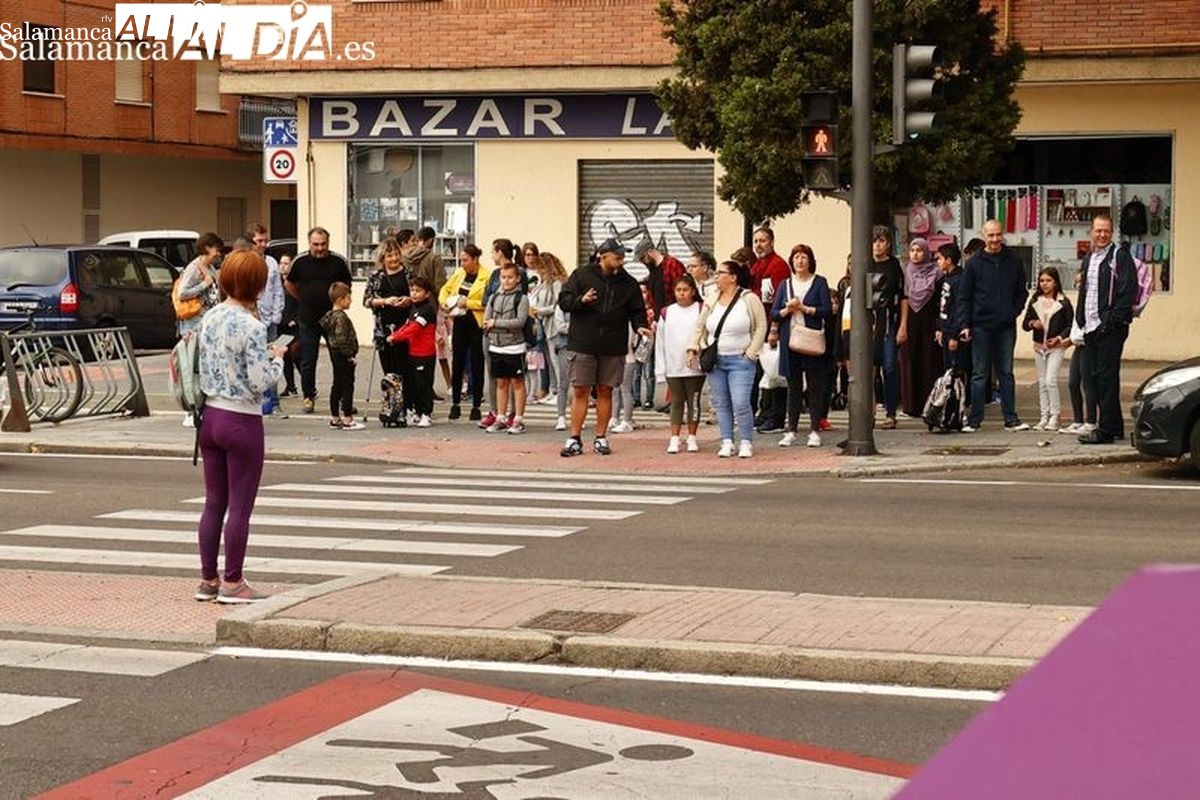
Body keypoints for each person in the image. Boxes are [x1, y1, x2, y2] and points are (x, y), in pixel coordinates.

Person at [194, 249, 287, 604]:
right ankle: (234, 582)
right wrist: (276, 359)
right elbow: (260, 381)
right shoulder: (253, 326)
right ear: (258, 285)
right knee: (240, 507)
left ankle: (207, 579)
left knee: (213, 502)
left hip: (210, 418)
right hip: (242, 420)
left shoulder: (211, 317)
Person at [557, 238, 649, 457]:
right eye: (617, 255)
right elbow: (564, 301)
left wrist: (640, 327)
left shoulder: (629, 283)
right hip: (583, 342)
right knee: (581, 390)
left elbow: (637, 311)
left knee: (606, 390)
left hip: (613, 345)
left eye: (622, 255)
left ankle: (601, 437)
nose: (621, 259)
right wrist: (581, 300)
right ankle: (575, 438)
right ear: (602, 255)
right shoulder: (582, 274)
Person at [686, 259, 767, 458]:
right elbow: (700, 326)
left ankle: (746, 441)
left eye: (721, 273)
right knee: (721, 403)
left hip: (741, 360)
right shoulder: (712, 299)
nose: (716, 277)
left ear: (733, 277)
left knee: (740, 402)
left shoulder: (749, 298)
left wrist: (751, 353)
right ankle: (727, 440)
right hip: (716, 360)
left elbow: (761, 326)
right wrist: (693, 348)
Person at [957, 219, 1031, 433]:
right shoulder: (973, 263)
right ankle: (974, 420)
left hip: (1006, 326)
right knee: (979, 374)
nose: (995, 239)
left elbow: (1022, 290)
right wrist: (965, 324)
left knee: (1006, 373)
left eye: (998, 235)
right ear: (984, 236)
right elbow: (964, 297)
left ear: (1003, 234)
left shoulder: (1014, 259)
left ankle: (1011, 419)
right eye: (991, 235)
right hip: (980, 326)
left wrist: (1014, 311)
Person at [1074, 213, 1137, 444]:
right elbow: (1086, 291)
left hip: (1109, 328)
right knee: (1092, 377)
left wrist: (1110, 321)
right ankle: (1115, 426)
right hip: (1090, 328)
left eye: (1106, 231)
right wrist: (1080, 318)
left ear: (1112, 232)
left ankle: (1107, 430)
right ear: (1091, 231)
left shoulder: (1119, 256)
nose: (1101, 234)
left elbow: (1128, 291)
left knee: (1106, 378)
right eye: (1098, 230)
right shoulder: (1089, 257)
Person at [771, 244, 832, 448]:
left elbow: (826, 311)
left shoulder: (820, 282)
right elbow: (774, 313)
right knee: (793, 387)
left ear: (810, 260)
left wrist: (804, 308)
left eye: (804, 257)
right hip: (791, 340)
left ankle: (815, 430)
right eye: (796, 257)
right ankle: (791, 430)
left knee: (815, 387)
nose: (800, 261)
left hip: (812, 338)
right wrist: (787, 310)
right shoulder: (785, 285)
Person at [286, 227, 352, 414]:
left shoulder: (338, 261)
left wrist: (340, 305)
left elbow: (347, 285)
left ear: (328, 243)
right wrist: (303, 299)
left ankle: (342, 398)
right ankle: (308, 397)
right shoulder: (300, 261)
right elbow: (289, 284)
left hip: (334, 320)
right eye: (316, 244)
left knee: (339, 359)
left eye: (323, 244)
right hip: (308, 318)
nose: (320, 248)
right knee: (308, 360)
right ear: (309, 243)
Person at [176, 232, 224, 427]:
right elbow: (182, 293)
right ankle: (191, 410)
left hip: (209, 324)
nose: (218, 253)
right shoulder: (194, 268)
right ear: (207, 248)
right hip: (194, 325)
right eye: (216, 249)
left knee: (207, 367)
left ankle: (202, 408)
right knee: (194, 368)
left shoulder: (210, 267)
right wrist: (204, 284)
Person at [439, 244, 491, 421]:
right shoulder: (459, 274)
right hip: (459, 321)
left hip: (476, 322)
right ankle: (456, 403)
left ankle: (476, 404)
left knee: (477, 363)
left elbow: (487, 301)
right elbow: (445, 289)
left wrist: (468, 303)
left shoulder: (486, 276)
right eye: (461, 260)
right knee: (458, 362)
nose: (462, 263)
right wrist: (445, 302)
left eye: (465, 260)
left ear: (475, 259)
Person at [363, 238, 414, 415]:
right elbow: (367, 300)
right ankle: (391, 405)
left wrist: (408, 300)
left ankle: (406, 406)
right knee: (389, 369)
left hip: (405, 327)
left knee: (405, 367)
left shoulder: (409, 274)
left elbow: (417, 296)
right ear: (383, 258)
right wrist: (384, 301)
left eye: (396, 255)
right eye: (389, 256)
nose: (393, 259)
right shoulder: (376, 276)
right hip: (383, 328)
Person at [656, 274, 705, 453]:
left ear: (693, 291)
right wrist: (660, 370)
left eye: (685, 290)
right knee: (676, 401)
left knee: (694, 402)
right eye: (678, 290)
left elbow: (705, 335)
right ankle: (674, 438)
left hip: (695, 366)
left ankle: (692, 437)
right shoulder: (666, 312)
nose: (682, 294)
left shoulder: (700, 309)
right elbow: (660, 342)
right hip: (673, 365)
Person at [1022, 266, 1074, 432]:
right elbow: (1025, 323)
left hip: (1056, 347)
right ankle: (1044, 416)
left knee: (1051, 380)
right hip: (1039, 347)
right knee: (1042, 382)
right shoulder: (1034, 301)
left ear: (1056, 282)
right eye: (1042, 280)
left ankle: (1055, 415)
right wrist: (1032, 323)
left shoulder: (1063, 302)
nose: (1044, 284)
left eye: (1048, 280)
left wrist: (1059, 338)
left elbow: (1070, 324)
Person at [483, 263, 531, 435]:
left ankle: (518, 419)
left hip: (514, 346)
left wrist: (496, 324)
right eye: (503, 277)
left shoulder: (522, 299)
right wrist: (492, 325)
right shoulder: (494, 297)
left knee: (517, 383)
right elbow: (487, 319)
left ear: (517, 278)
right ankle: (500, 417)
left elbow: (519, 322)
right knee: (501, 382)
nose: (506, 281)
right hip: (496, 345)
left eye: (510, 277)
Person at [899, 237, 943, 418]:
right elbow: (904, 299)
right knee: (911, 362)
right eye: (912, 250)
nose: (915, 254)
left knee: (929, 363)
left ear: (926, 253)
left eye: (919, 250)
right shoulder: (906, 272)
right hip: (910, 322)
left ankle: (929, 405)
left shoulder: (937, 273)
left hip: (930, 323)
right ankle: (911, 406)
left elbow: (941, 301)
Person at [387, 275, 438, 428]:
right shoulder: (414, 308)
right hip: (413, 352)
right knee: (414, 384)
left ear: (427, 293)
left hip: (425, 354)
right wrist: (394, 334)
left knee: (424, 385)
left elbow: (414, 329)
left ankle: (426, 414)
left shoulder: (427, 310)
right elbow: (407, 325)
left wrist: (395, 338)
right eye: (412, 290)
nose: (414, 293)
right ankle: (416, 411)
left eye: (418, 291)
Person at [869, 226, 906, 429]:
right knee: (869, 369)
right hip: (868, 323)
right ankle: (870, 411)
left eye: (882, 241)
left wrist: (903, 326)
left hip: (889, 322)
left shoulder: (894, 266)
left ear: (888, 244)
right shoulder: (864, 263)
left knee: (890, 367)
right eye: (875, 241)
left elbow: (903, 298)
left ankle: (891, 412)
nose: (878, 245)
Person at [320, 282, 364, 430]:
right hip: (343, 355)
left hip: (335, 354)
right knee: (347, 385)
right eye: (348, 298)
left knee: (337, 384)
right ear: (340, 299)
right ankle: (347, 417)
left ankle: (335, 417)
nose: (350, 301)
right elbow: (341, 338)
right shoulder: (341, 318)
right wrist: (350, 355)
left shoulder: (329, 316)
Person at [933, 242, 969, 373]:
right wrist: (939, 328)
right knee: (947, 370)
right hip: (945, 330)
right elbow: (943, 306)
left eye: (940, 258)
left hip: (955, 333)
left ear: (948, 260)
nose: (937, 262)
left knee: (956, 370)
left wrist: (955, 336)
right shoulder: (945, 278)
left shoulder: (960, 279)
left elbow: (959, 308)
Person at [634, 240, 686, 314]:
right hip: (660, 318)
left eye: (642, 258)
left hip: (674, 315)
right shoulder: (652, 270)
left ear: (649, 252)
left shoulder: (672, 265)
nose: (642, 262)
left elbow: (684, 291)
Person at [403, 226, 447, 298]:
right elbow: (440, 284)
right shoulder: (434, 258)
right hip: (429, 300)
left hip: (409, 299)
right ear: (431, 240)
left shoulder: (406, 257)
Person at [276, 255, 298, 397]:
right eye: (281, 263)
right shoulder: (276, 283)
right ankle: (290, 386)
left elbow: (301, 301)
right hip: (281, 324)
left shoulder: (295, 283)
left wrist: (296, 318)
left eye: (286, 263)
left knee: (297, 355)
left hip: (293, 325)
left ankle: (310, 387)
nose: (283, 266)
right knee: (285, 355)